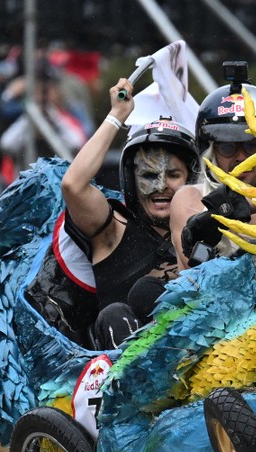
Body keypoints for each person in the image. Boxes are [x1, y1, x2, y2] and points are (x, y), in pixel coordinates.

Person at [60, 77, 200, 348]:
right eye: (148, 175)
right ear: (131, 182)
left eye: (173, 175)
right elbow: (72, 186)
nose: (160, 186)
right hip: (117, 372)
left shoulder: (208, 229)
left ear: (190, 178)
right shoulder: (113, 230)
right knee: (116, 314)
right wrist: (116, 115)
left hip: (197, 367)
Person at [170, 62, 256, 272]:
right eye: (228, 147)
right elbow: (197, 272)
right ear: (211, 153)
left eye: (251, 145)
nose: (241, 158)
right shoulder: (189, 199)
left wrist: (236, 206)